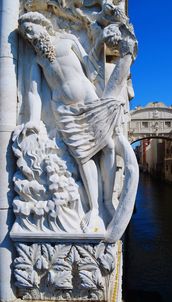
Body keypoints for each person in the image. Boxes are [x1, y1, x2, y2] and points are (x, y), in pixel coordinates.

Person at [18, 12, 137, 235]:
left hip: (89, 101)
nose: (29, 35)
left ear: (42, 25)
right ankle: (93, 208)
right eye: (25, 33)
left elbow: (90, 65)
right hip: (64, 110)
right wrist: (34, 120)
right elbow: (33, 93)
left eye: (31, 28)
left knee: (109, 147)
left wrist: (101, 40)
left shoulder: (68, 41)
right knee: (84, 157)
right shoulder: (37, 60)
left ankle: (107, 200)